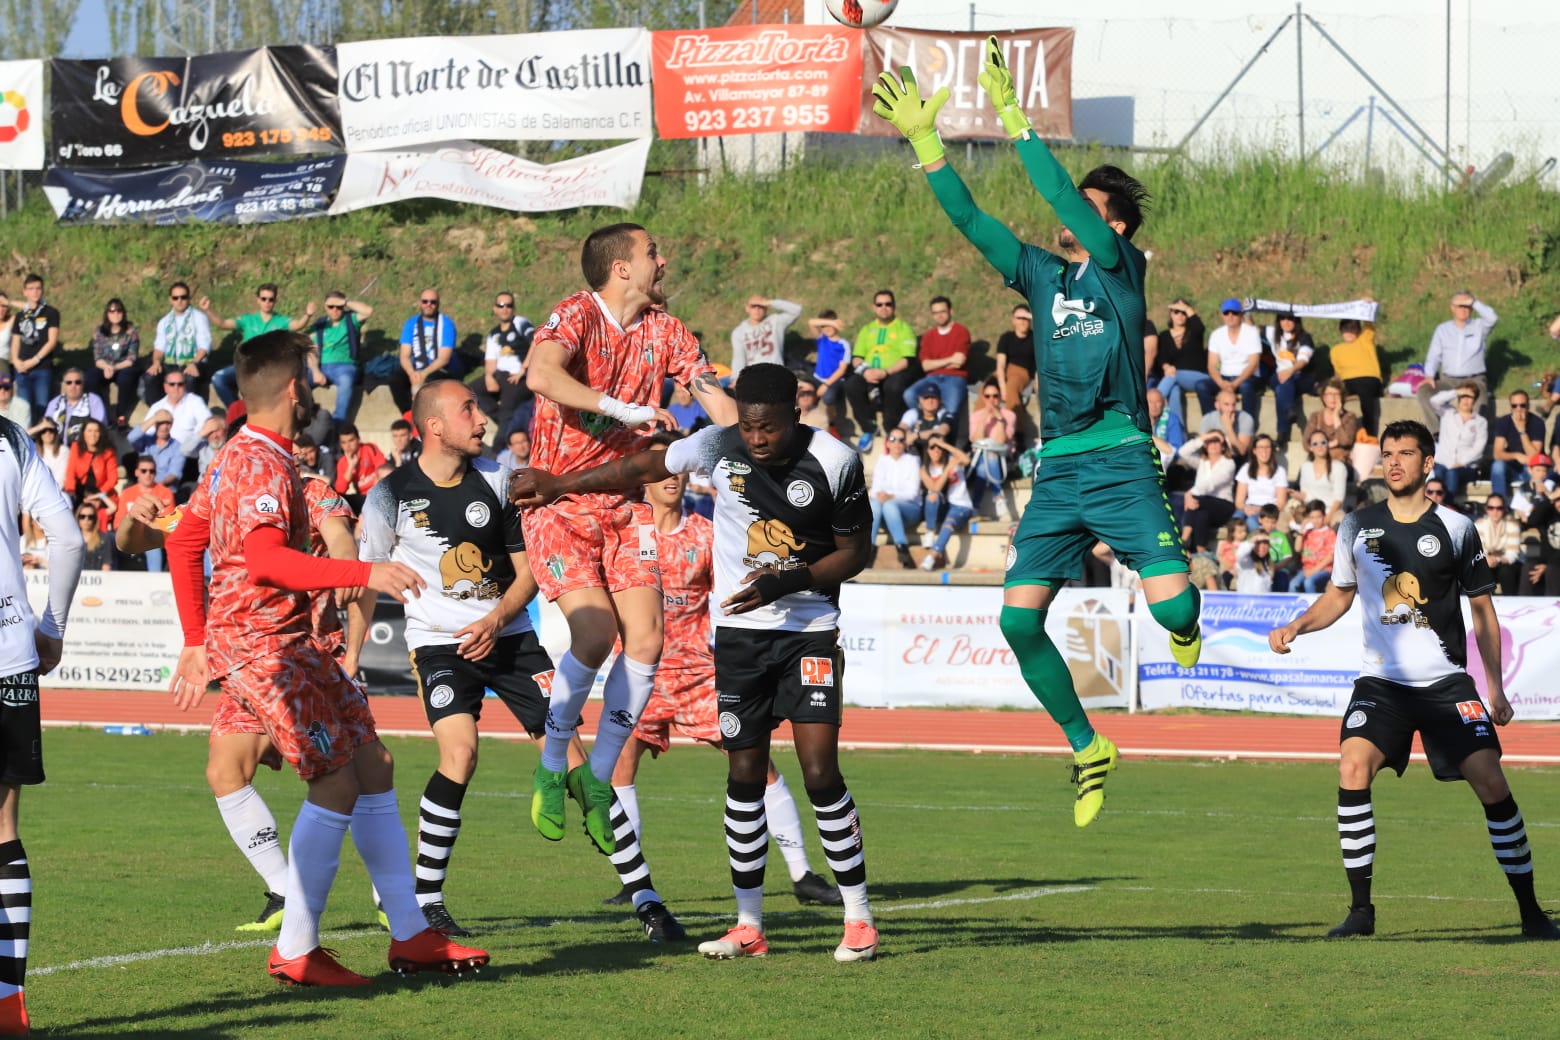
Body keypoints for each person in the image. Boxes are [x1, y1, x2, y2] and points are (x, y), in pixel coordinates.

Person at [873, 40, 1204, 827]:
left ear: (1114, 224)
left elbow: (1058, 195)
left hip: (1123, 459)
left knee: (1171, 613)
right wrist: (929, 146)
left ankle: (1188, 622)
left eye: (1089, 207)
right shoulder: (1042, 276)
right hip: (1057, 469)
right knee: (1018, 620)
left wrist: (1016, 121)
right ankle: (1088, 745)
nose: (1070, 214)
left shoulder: (1122, 269)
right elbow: (968, 219)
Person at [511, 363, 878, 963]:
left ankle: (858, 918)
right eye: (750, 427)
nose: (757, 439)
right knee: (741, 778)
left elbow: (857, 552)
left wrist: (791, 581)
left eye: (769, 428)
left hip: (809, 631)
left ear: (795, 416)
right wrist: (560, 485)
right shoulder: (717, 443)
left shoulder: (836, 461)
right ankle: (748, 925)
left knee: (818, 772)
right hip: (738, 637)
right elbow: (643, 466)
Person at [164, 329, 487, 986]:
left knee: (374, 764)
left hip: (288, 645)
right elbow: (262, 560)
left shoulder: (241, 457)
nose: (316, 389)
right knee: (335, 780)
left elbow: (183, 542)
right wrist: (361, 569)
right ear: (291, 389)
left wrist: (197, 639)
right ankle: (297, 947)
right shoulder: (257, 464)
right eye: (310, 379)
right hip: (268, 649)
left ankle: (411, 935)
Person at [355, 378, 675, 940]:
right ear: (433, 426)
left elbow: (530, 569)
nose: (483, 420)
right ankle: (425, 898)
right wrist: (348, 659)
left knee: (575, 760)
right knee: (461, 753)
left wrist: (495, 620)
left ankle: (646, 898)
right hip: (439, 645)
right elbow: (364, 580)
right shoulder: (388, 496)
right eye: (469, 410)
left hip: (511, 639)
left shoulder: (500, 483)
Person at [1268, 419, 1560, 941]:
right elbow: (1339, 595)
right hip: (1381, 685)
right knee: (1353, 766)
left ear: (1428, 464)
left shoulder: (1457, 527)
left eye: (1406, 453)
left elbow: (1483, 611)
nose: (1394, 461)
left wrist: (1494, 687)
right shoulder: (1356, 525)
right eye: (1388, 453)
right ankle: (1361, 911)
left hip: (1447, 684)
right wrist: (1298, 625)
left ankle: (1532, 912)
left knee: (1492, 782)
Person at [520, 221, 735, 855]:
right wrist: (623, 409)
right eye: (652, 253)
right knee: (593, 635)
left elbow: (712, 397)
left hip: (625, 507)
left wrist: (757, 445)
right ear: (621, 268)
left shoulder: (667, 331)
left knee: (647, 636)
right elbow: (540, 375)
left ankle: (596, 771)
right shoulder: (575, 315)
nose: (662, 262)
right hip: (557, 501)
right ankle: (553, 765)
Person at [603, 431, 842, 910]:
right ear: (643, 482)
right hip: (636, 672)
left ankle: (802, 874)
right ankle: (634, 879)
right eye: (662, 472)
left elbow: (735, 590)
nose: (672, 478)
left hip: (697, 672)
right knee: (617, 770)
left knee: (758, 767)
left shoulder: (703, 533)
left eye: (677, 470)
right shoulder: (623, 529)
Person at [0, 408, 85, 1035]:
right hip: (9, 651)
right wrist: (50, 625)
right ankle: (9, 1002)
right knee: (2, 828)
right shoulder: (8, 438)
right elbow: (70, 539)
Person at [205, 284, 316, 406]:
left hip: (269, 368)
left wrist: (307, 315)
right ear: (258, 300)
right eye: (264, 299)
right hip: (246, 365)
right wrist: (207, 310)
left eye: (271, 299)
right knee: (218, 378)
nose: (267, 302)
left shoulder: (281, 321)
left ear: (275, 301)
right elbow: (222, 324)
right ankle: (238, 411)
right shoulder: (248, 320)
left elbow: (298, 325)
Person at [842, 290, 919, 452]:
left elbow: (907, 359)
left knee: (894, 386)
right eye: (880, 304)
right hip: (868, 372)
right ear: (874, 307)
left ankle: (890, 427)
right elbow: (856, 357)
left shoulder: (903, 328)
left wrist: (885, 372)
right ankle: (869, 428)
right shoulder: (867, 329)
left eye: (888, 304)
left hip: (892, 372)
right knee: (851, 385)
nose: (884, 307)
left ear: (894, 306)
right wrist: (865, 372)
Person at [1417, 291, 1496, 434]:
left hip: (1474, 379)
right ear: (1452, 308)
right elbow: (1434, 355)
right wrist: (1429, 375)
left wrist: (1474, 302)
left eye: (1467, 306)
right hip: (1448, 380)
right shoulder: (1443, 329)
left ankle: (1475, 434)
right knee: (1424, 391)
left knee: (1481, 400)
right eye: (1460, 306)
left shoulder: (1479, 326)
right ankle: (1436, 433)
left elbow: (1492, 318)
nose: (1464, 309)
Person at [311, 291, 373, 424]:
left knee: (346, 382)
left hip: (344, 367)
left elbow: (368, 311)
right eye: (331, 307)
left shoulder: (351, 320)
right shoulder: (320, 324)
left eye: (338, 307)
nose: (335, 310)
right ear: (325, 307)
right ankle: (303, 416)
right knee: (299, 381)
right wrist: (316, 371)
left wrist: (345, 302)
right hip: (321, 366)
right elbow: (311, 350)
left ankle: (338, 422)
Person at [145, 281, 212, 404]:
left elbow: (204, 346)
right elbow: (159, 348)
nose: (179, 301)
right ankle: (158, 411)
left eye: (183, 297)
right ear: (170, 299)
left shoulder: (199, 317)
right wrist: (156, 362)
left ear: (189, 298)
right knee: (150, 377)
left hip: (193, 362)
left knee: (189, 379)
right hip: (171, 363)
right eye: (176, 298)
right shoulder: (164, 322)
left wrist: (194, 363)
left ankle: (190, 413)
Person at [479, 291, 535, 436]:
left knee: (508, 406)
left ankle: (501, 446)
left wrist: (524, 369)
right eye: (501, 305)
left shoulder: (520, 323)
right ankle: (504, 421)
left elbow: (536, 342)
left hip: (519, 376)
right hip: (501, 375)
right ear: (495, 308)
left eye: (509, 305)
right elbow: (490, 360)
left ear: (513, 308)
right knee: (472, 390)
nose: (505, 309)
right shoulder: (493, 334)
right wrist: (489, 377)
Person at [393, 289, 457, 415]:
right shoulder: (411, 323)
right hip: (415, 366)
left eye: (433, 302)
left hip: (436, 369)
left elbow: (444, 358)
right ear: (420, 303)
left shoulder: (447, 324)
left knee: (428, 386)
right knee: (395, 380)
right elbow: (404, 355)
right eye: (425, 301)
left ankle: (423, 419)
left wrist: (423, 374)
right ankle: (408, 415)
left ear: (438, 304)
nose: (429, 305)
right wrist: (411, 373)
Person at [904, 295, 971, 409]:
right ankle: (926, 420)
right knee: (909, 395)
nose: (939, 316)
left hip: (954, 378)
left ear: (951, 311)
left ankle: (945, 424)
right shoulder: (928, 336)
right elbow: (925, 366)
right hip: (932, 378)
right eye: (935, 313)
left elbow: (959, 362)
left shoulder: (961, 331)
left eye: (942, 312)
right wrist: (950, 359)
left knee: (951, 408)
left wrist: (935, 363)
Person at [918, 436, 974, 570]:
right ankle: (930, 532)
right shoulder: (925, 469)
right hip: (943, 506)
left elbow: (966, 460)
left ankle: (932, 556)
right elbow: (935, 488)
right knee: (932, 495)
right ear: (927, 450)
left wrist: (943, 444)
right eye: (932, 447)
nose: (936, 450)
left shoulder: (953, 460)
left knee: (949, 524)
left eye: (939, 447)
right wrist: (948, 469)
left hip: (961, 505)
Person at [867, 428, 921, 568]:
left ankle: (901, 545)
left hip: (910, 510)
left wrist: (891, 496)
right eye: (893, 439)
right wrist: (880, 495)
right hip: (887, 510)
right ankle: (868, 549)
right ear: (888, 443)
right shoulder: (882, 460)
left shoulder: (913, 461)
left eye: (901, 440)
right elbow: (875, 489)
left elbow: (913, 493)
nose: (897, 443)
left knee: (889, 504)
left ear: (905, 443)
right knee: (875, 505)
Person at [8, 275, 60, 416]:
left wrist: (34, 360)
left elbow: (52, 341)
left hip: (41, 367)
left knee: (41, 408)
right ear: (24, 292)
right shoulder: (20, 316)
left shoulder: (51, 313)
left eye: (38, 288)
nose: (35, 292)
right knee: (23, 409)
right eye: (31, 289)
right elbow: (15, 341)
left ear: (42, 290)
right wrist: (16, 361)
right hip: (22, 368)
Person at [1206, 299, 1265, 421]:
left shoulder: (1251, 333)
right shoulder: (1217, 335)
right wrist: (1220, 381)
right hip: (1225, 376)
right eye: (1226, 313)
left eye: (1234, 313)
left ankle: (1248, 425)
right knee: (1201, 386)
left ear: (1241, 315)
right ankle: (1212, 422)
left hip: (1247, 376)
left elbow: (1253, 363)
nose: (1230, 316)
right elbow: (1214, 364)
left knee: (1246, 387)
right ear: (1222, 315)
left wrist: (1235, 383)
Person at [1154, 299, 1213, 421]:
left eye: (1183, 312)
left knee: (1173, 376)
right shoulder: (1164, 335)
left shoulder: (1194, 332)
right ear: (1171, 314)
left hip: (1199, 377)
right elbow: (1161, 357)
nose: (1180, 315)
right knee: (1174, 391)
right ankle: (1179, 434)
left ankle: (1150, 406)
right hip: (1175, 379)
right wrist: (1166, 366)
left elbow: (1200, 326)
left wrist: (1186, 308)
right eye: (1176, 311)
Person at [1177, 433, 1236, 552]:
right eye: (1210, 441)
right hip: (1201, 505)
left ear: (1223, 446)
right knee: (1201, 515)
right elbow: (1183, 452)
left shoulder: (1229, 463)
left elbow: (1211, 484)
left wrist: (1189, 494)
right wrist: (1206, 437)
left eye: (1216, 441)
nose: (1213, 444)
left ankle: (1184, 539)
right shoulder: (1202, 462)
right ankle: (1200, 550)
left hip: (1223, 506)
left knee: (1196, 500)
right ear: (1205, 445)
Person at [86, 298, 141, 426]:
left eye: (119, 311)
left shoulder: (131, 331)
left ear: (123, 313)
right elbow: (97, 358)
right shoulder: (100, 331)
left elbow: (131, 358)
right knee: (90, 378)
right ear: (107, 314)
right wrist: (106, 367)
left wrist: (115, 367)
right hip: (104, 366)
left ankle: (121, 415)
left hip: (123, 366)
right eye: (112, 311)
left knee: (125, 378)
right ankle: (100, 414)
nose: (115, 314)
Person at [114, 455, 175, 570]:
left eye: (151, 471)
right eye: (144, 471)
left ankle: (154, 581)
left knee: (153, 549)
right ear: (136, 472)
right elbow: (118, 523)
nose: (148, 474)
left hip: (153, 537)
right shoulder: (127, 493)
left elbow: (169, 525)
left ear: (156, 473)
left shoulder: (166, 493)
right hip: (130, 535)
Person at [1266, 311, 1316, 449]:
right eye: (1282, 319)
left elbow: (1303, 360)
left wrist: (1289, 371)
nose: (1286, 322)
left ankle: (1282, 433)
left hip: (1300, 376)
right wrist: (1247, 311)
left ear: (1297, 321)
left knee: (1282, 388)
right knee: (1281, 383)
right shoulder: (1273, 333)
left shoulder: (1305, 337)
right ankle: (1289, 410)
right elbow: (1252, 327)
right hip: (1280, 375)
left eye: (1290, 319)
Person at [968, 377, 1015, 519]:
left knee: (990, 457)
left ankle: (975, 506)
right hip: (980, 458)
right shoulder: (975, 416)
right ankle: (999, 500)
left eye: (995, 396)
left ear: (1000, 397)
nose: (992, 400)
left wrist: (999, 419)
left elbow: (1001, 441)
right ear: (983, 397)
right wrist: (983, 418)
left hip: (1003, 458)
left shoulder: (1009, 416)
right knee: (985, 464)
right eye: (988, 396)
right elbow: (976, 440)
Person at [1432, 381, 1487, 500]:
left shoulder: (1480, 422)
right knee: (1438, 475)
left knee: (1452, 473)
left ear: (1475, 399)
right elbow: (1434, 401)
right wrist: (1457, 391)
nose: (1466, 400)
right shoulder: (1447, 413)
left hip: (1466, 466)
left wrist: (1462, 462)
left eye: (1470, 397)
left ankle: (1448, 505)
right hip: (1443, 462)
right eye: (1463, 396)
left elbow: (1479, 447)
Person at [139, 367, 213, 450]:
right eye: (172, 384)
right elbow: (147, 432)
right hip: (162, 451)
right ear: (165, 387)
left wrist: (190, 444)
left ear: (185, 386)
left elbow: (207, 424)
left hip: (188, 452)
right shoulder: (157, 407)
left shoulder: (195, 401)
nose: (176, 387)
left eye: (180, 384)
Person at [1489, 390, 1544, 500]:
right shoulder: (1504, 421)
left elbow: (1534, 457)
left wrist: (1521, 430)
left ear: (1528, 406)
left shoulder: (1537, 422)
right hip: (1511, 465)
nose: (1518, 409)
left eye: (1522, 405)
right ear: (1510, 407)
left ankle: (1532, 506)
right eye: (1514, 406)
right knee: (1497, 466)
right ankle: (1500, 504)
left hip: (1530, 466)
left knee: (1535, 470)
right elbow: (1497, 453)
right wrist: (1516, 455)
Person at [731, 295, 802, 378]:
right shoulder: (739, 332)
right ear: (747, 308)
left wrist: (770, 302)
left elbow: (797, 310)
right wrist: (735, 378)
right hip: (753, 374)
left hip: (775, 371)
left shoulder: (775, 321)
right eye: (753, 306)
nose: (757, 309)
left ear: (766, 308)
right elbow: (739, 357)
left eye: (761, 306)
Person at [61, 419, 118, 521]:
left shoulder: (108, 452)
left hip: (101, 492)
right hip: (80, 491)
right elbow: (70, 471)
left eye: (96, 431)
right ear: (83, 433)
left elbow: (113, 479)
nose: (93, 434)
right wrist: (71, 492)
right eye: (89, 431)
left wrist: (99, 495)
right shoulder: (76, 447)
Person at [36, 368, 106, 446]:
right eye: (69, 382)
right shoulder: (55, 403)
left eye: (77, 382)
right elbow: (46, 426)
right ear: (64, 385)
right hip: (57, 451)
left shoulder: (93, 401)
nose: (73, 386)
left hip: (84, 449)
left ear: (83, 384)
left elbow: (98, 428)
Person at [1233, 433, 1288, 530]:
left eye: (1267, 447)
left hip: (1268, 510)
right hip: (1249, 507)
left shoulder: (1279, 471)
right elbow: (1239, 501)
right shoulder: (1246, 469)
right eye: (1261, 447)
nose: (1264, 451)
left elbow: (1281, 503)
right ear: (1254, 450)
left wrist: (1260, 510)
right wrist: (1246, 508)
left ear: (1272, 450)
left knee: (1251, 521)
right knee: (1235, 521)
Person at [808, 310, 851, 431]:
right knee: (803, 390)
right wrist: (829, 322)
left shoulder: (843, 344)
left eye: (830, 325)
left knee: (828, 398)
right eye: (824, 326)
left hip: (834, 380)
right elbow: (811, 322)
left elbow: (842, 370)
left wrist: (826, 385)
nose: (827, 328)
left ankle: (831, 425)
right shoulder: (822, 339)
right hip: (817, 377)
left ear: (836, 324)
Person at [1302, 379, 1361, 466]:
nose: (1333, 398)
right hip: (1318, 461)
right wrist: (1330, 444)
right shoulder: (1315, 416)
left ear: (1342, 397)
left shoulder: (1350, 417)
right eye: (1329, 394)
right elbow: (1306, 444)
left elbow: (1345, 442)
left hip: (1340, 461)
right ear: (1324, 397)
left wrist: (1335, 416)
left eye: (1337, 394)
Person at [1297, 429, 1349, 526]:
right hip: (1311, 512)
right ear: (1310, 447)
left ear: (1328, 444)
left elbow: (1338, 499)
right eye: (1315, 443)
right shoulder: (1305, 467)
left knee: (1341, 519)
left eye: (1323, 442)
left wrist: (1325, 520)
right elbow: (1305, 494)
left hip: (1332, 512)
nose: (1319, 446)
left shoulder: (1339, 467)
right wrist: (1297, 496)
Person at [1475, 493, 1524, 595]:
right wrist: (1487, 560)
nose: (1495, 512)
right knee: (1481, 569)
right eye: (1491, 508)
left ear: (1504, 509)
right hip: (1486, 562)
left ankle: (1510, 603)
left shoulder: (1512, 525)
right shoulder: (1479, 525)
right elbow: (1479, 550)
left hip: (1507, 563)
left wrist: (1496, 559)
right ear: (1486, 509)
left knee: (1507, 571)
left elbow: (1512, 555)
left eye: (1499, 508)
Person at [332, 423, 387, 512]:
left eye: (351, 440)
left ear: (358, 439)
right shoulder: (342, 462)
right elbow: (340, 490)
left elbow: (383, 469)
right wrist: (351, 467)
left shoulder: (369, 448)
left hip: (378, 493)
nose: (348, 445)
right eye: (344, 442)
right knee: (340, 501)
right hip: (362, 498)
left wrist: (376, 490)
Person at [895, 383, 952, 456]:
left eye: (934, 397)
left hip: (938, 457)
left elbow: (942, 431)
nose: (930, 401)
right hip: (916, 455)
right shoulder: (913, 413)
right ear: (920, 400)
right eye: (926, 397)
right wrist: (906, 433)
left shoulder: (945, 414)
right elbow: (900, 429)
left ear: (940, 400)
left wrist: (916, 435)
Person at [1199, 389, 1255, 460]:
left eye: (1233, 404)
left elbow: (1241, 451)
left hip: (1237, 459)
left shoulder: (1246, 418)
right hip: (1215, 457)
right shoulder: (1207, 419)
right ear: (1217, 405)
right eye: (1226, 404)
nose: (1231, 409)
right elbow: (1202, 444)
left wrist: (1229, 428)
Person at [0, 292, 14, 377]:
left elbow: (31, 308)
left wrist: (9, 302)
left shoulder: (11, 321)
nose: (1, 309)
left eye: (4, 305)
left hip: (2, 363)